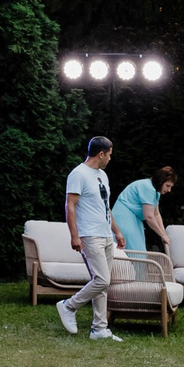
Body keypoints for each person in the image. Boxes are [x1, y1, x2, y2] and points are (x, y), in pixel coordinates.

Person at [57, 136, 120, 342]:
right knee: (102, 279)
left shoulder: (103, 175)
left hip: (106, 235)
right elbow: (70, 206)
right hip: (89, 235)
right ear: (101, 154)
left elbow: (106, 207)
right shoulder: (78, 174)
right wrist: (74, 236)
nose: (110, 158)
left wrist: (117, 232)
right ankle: (68, 306)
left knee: (102, 283)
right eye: (109, 154)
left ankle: (99, 328)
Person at [113, 165, 178, 254]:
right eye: (167, 186)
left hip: (134, 218)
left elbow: (156, 214)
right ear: (161, 181)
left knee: (139, 249)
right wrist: (163, 235)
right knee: (135, 250)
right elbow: (149, 217)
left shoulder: (156, 192)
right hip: (124, 215)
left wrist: (164, 235)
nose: (169, 190)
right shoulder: (147, 187)